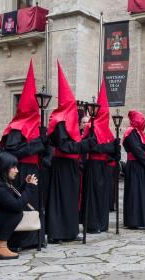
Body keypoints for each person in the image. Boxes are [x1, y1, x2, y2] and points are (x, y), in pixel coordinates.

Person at [0, 60, 46, 249]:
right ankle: (19, 240)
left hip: (34, 168)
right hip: (20, 170)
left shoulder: (36, 126)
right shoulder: (16, 128)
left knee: (34, 203)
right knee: (23, 204)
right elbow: (11, 152)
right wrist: (36, 145)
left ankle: (35, 238)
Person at [46, 62, 96, 243]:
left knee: (71, 199)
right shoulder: (59, 121)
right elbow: (65, 146)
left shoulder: (67, 120)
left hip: (72, 165)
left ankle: (69, 230)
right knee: (62, 199)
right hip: (63, 165)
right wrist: (86, 145)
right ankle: (58, 232)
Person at [81, 79, 121, 233]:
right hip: (93, 166)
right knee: (93, 195)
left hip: (104, 166)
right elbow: (90, 146)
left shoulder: (109, 130)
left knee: (103, 196)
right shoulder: (91, 127)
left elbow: (113, 151)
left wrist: (114, 149)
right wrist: (109, 147)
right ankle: (92, 224)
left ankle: (102, 223)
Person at [122, 110, 145, 229]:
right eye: (141, 119)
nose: (143, 121)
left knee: (144, 193)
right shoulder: (130, 133)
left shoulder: (141, 133)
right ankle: (135, 221)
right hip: (136, 166)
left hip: (143, 166)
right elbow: (137, 151)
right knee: (136, 193)